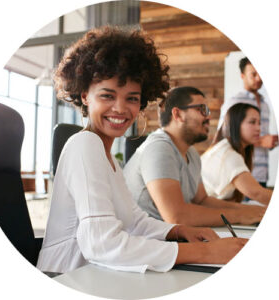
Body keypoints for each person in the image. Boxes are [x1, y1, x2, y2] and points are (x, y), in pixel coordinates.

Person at [37, 27, 247, 274]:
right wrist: (207, 252)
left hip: (98, 275)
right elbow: (101, 243)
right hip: (68, 277)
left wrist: (178, 230)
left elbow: (134, 221)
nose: (120, 108)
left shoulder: (109, 157)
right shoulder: (85, 145)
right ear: (85, 96)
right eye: (107, 95)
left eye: (132, 98)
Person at [123, 86, 265, 227]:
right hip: (143, 240)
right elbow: (176, 216)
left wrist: (253, 211)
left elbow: (202, 200)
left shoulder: (191, 153)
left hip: (166, 236)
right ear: (178, 115)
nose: (209, 116)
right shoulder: (158, 148)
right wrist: (239, 215)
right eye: (202, 109)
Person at [218, 57, 278, 188]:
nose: (259, 78)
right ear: (242, 76)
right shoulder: (234, 102)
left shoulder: (265, 104)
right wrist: (261, 141)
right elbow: (224, 136)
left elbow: (260, 136)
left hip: (262, 173)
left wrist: (271, 142)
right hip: (241, 172)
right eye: (253, 74)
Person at [201, 103, 272, 205]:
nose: (258, 128)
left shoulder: (226, 149)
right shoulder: (228, 155)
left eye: (259, 123)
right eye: (252, 122)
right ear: (235, 124)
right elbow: (257, 193)